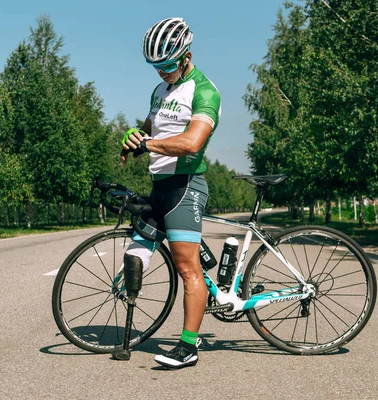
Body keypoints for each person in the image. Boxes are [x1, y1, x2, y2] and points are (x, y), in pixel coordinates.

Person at [121, 17, 221, 369]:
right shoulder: (160, 91)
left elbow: (193, 142)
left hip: (185, 185)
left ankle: (189, 347)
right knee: (136, 250)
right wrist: (135, 138)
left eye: (166, 65)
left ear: (186, 56)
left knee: (186, 266)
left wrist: (150, 143)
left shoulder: (204, 90)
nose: (161, 73)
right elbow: (150, 128)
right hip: (159, 185)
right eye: (155, 67)